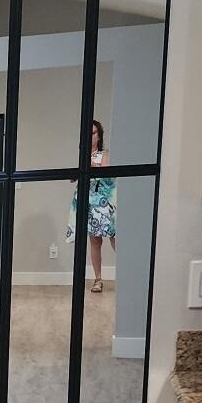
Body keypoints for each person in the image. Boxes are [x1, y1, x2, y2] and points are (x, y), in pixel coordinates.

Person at [68, 118, 116, 293]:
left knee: (115, 238)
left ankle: (130, 273)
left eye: (94, 133)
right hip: (88, 202)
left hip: (105, 202)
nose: (91, 137)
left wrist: (89, 166)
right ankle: (98, 279)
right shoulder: (83, 156)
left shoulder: (104, 154)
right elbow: (76, 177)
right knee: (95, 241)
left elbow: (105, 174)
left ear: (99, 135)